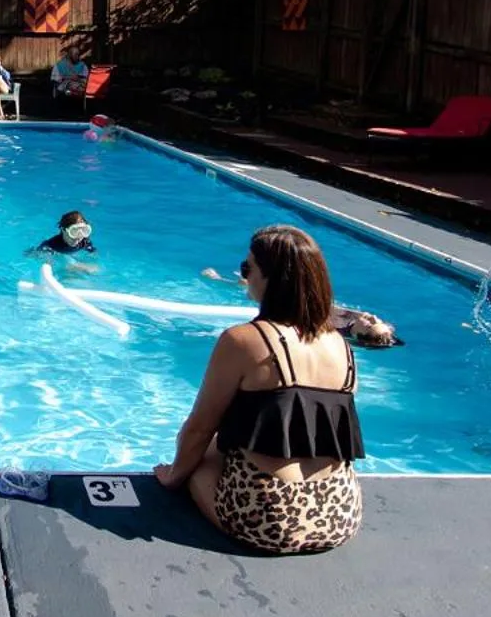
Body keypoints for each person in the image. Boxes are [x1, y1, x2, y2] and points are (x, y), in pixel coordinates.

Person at [158, 226, 364, 554]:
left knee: (200, 456)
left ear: (270, 279)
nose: (244, 276)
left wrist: (172, 476)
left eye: (247, 268)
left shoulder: (243, 341)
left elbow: (199, 429)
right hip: (340, 514)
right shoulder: (340, 345)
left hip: (270, 522)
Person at [200, 266, 398, 346]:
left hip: (289, 306)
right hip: (306, 301)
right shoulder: (355, 318)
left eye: (371, 324)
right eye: (377, 320)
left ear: (357, 334)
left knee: (249, 288)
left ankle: (219, 280)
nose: (373, 318)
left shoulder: (332, 332)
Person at [31, 211, 97, 258]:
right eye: (74, 231)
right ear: (63, 230)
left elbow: (93, 253)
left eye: (84, 230)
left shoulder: (85, 242)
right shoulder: (52, 245)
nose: (78, 237)